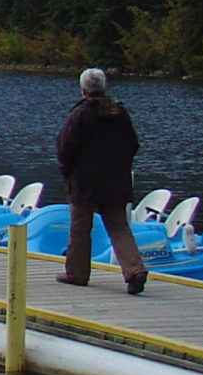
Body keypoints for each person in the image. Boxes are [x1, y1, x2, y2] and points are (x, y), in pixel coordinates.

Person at [54, 67, 148, 294]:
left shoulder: (79, 115)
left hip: (84, 184)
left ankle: (76, 274)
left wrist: (67, 173)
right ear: (104, 88)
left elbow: (64, 148)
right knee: (118, 227)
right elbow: (133, 145)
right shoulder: (120, 113)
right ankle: (135, 270)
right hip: (116, 182)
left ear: (83, 90)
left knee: (79, 229)